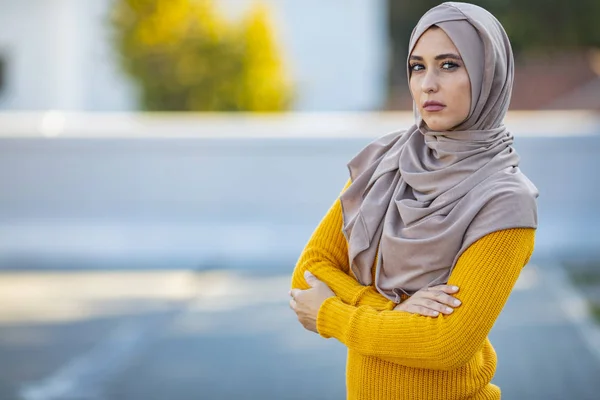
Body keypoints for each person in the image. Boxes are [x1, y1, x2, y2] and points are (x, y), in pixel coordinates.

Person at [288, 2, 539, 399]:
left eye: (449, 65)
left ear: (488, 73)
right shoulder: (385, 164)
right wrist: (390, 310)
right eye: (417, 67)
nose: (427, 85)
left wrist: (332, 314)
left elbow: (445, 343)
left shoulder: (506, 201)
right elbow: (308, 273)